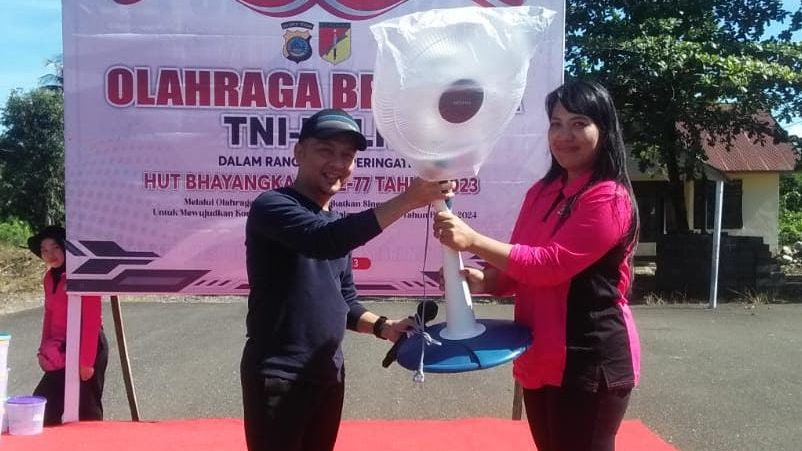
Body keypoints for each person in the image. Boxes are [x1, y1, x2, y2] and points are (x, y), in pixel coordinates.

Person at [433, 80, 641, 451]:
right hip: (540, 353)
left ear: (605, 130)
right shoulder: (541, 193)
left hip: (589, 358)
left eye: (579, 124)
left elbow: (550, 265)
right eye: (556, 124)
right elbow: (521, 264)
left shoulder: (609, 198)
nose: (564, 135)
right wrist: (485, 281)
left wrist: (472, 239)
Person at [241, 108, 454, 451]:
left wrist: (385, 327)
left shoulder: (334, 223)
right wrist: (410, 199)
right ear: (299, 152)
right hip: (279, 376)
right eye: (326, 150)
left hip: (328, 374)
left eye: (347, 155)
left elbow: (345, 301)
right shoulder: (273, 206)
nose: (338, 163)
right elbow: (323, 241)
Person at [27, 225, 108, 425]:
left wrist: (86, 361)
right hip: (61, 349)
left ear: (65, 247)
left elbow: (92, 318)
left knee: (86, 408)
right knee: (45, 404)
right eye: (44, 250)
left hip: (88, 346)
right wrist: (44, 350)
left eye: (55, 247)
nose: (50, 255)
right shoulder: (49, 278)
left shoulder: (83, 274)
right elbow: (49, 314)